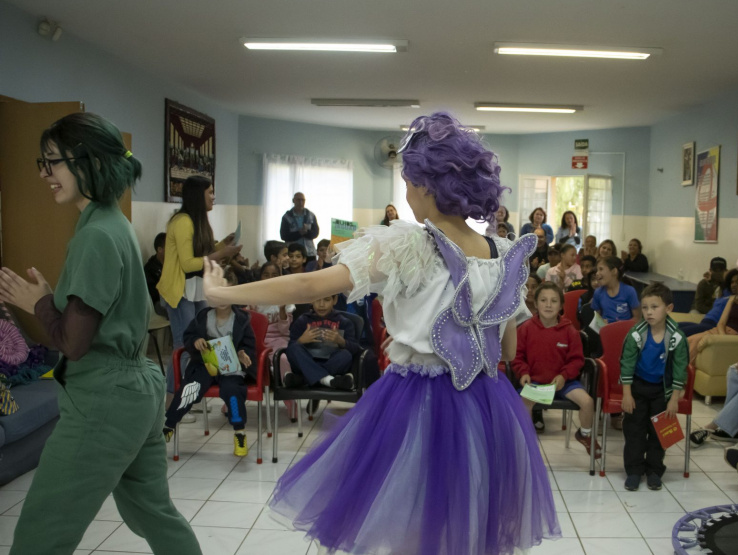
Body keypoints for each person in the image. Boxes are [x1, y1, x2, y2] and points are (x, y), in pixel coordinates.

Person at [199, 112, 559, 554]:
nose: (406, 191)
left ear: (427, 184)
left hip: (419, 405)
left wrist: (224, 293)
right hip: (487, 405)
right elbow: (506, 344)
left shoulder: (406, 244)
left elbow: (311, 284)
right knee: (463, 525)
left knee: (409, 524)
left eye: (408, 179)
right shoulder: (501, 252)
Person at [0, 112, 201, 554]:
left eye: (52, 162)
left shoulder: (95, 236)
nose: (45, 174)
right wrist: (51, 301)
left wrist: (36, 303)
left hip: (104, 401)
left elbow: (74, 341)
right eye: (43, 162)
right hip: (138, 390)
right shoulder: (112, 222)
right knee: (151, 512)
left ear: (87, 161)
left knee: (42, 529)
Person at [158, 175, 240, 395]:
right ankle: (173, 398)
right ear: (198, 195)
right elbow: (188, 264)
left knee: (205, 341)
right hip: (180, 291)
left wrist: (224, 244)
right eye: (210, 192)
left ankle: (195, 391)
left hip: (196, 289)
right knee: (185, 346)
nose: (214, 197)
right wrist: (222, 253)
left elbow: (205, 251)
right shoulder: (182, 221)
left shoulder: (199, 220)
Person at [163, 269, 256, 457]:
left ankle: (239, 432)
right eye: (217, 293)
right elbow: (190, 336)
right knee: (191, 389)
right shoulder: (203, 316)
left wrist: (242, 353)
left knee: (232, 392)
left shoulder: (242, 320)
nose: (221, 299)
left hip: (230, 369)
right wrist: (196, 342)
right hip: (204, 365)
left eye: (226, 293)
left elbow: (248, 344)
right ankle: (169, 425)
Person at [514, 282, 599, 456]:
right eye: (543, 300)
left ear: (561, 306)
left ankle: (585, 435)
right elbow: (517, 356)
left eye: (553, 301)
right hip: (536, 383)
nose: (548, 304)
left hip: (564, 383)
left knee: (588, 402)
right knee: (523, 403)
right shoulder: (525, 329)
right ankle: (528, 444)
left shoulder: (570, 331)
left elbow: (576, 361)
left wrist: (564, 376)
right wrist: (523, 373)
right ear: (536, 304)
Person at [620, 283, 688, 491]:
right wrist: (627, 395)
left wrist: (674, 399)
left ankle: (654, 471)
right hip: (638, 388)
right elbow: (626, 365)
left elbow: (680, 369)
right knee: (634, 432)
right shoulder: (636, 334)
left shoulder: (677, 337)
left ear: (668, 308)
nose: (648, 312)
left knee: (659, 432)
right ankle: (633, 471)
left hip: (662, 390)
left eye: (654, 307)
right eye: (645, 307)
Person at [249, 262, 298, 420]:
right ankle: (233, 399)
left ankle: (290, 402)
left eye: (274, 275)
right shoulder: (253, 296)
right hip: (257, 339)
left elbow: (285, 331)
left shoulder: (286, 297)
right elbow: (249, 327)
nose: (270, 278)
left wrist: (282, 310)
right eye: (266, 275)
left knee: (282, 359)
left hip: (278, 339)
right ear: (261, 277)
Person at [283, 294, 359, 390]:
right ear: (311, 300)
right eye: (317, 300)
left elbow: (355, 349)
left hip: (331, 362)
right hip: (307, 360)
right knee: (294, 348)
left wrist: (341, 341)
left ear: (334, 300)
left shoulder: (344, 322)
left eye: (326, 300)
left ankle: (304, 379)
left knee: (346, 355)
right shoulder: (303, 320)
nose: (321, 305)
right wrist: (301, 340)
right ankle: (328, 380)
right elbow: (290, 348)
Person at [687, 273, 738, 365]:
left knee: (696, 341)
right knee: (688, 340)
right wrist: (722, 337)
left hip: (737, 336)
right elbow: (721, 323)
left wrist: (725, 340)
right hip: (720, 331)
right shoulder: (733, 299)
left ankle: (681, 372)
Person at [679, 268, 738, 337]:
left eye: (737, 282)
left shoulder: (736, 298)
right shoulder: (726, 291)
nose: (734, 285)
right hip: (704, 322)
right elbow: (723, 278)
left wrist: (712, 275)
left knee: (679, 333)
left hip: (713, 325)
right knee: (672, 327)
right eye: (732, 282)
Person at [591, 256, 641, 325]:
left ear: (614, 271)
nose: (597, 273)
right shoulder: (598, 293)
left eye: (601, 269)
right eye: (597, 270)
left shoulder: (629, 291)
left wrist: (620, 326)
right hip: (606, 331)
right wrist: (601, 323)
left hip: (626, 331)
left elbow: (637, 318)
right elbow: (596, 318)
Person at [280, 192, 320, 259]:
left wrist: (306, 232)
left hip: (309, 253)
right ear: (293, 200)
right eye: (298, 200)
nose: (301, 202)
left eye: (303, 200)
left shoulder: (311, 215)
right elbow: (283, 236)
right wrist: (299, 233)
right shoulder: (286, 217)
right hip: (292, 253)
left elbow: (315, 233)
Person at [144, 232, 166, 307]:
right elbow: (154, 294)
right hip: (159, 302)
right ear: (160, 249)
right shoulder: (150, 269)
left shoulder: (174, 263)